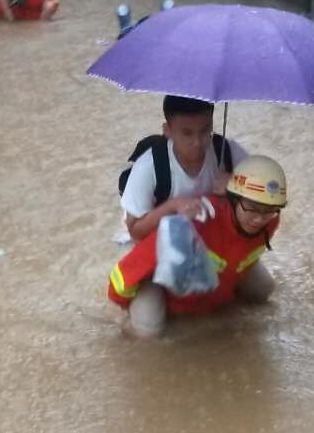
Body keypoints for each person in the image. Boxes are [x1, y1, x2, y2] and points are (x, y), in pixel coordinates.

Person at [108, 156, 286, 339]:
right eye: (252, 208)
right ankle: (125, 323)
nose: (258, 219)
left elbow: (243, 254)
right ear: (233, 199)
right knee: (147, 331)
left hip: (218, 278)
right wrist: (121, 303)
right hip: (159, 285)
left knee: (264, 289)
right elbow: (129, 270)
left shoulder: (271, 221)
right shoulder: (197, 219)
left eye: (268, 210)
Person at [119, 95, 246, 243]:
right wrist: (172, 207)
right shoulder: (148, 167)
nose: (197, 142)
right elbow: (135, 232)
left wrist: (236, 185)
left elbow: (266, 186)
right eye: (187, 133)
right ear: (167, 130)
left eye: (205, 131)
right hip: (166, 244)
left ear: (212, 124)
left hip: (213, 239)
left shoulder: (226, 151)